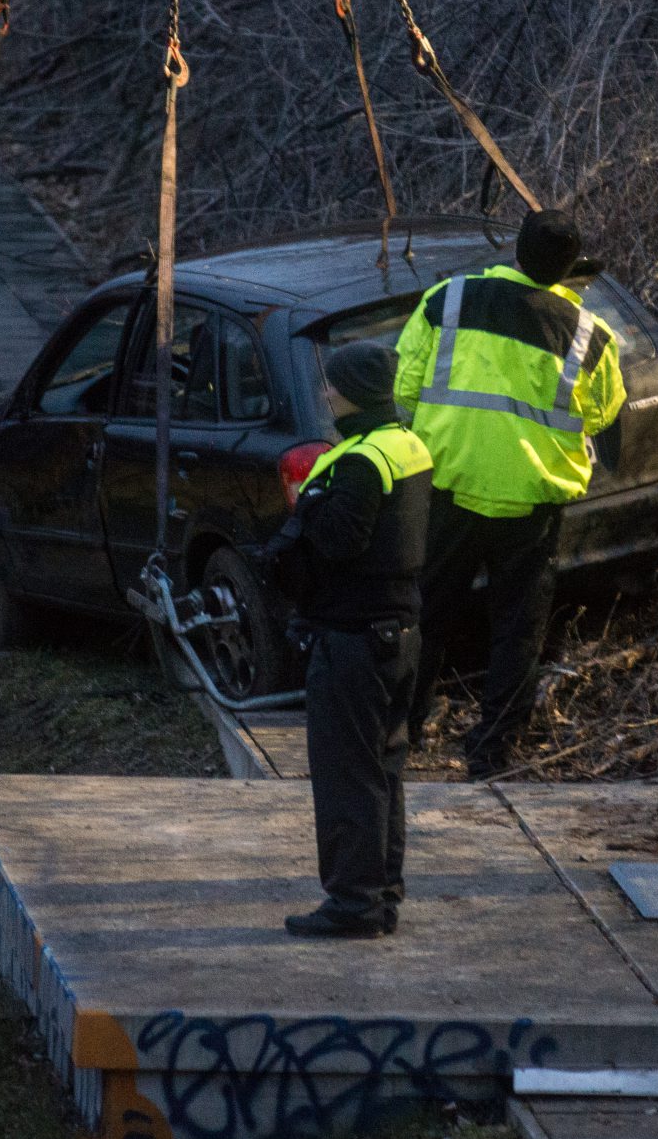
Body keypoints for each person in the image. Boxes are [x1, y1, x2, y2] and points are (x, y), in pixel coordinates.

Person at [395, 208, 625, 778]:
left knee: (426, 614)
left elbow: (403, 388)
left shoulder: (447, 300)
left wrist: (432, 438)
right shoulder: (591, 336)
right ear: (570, 268)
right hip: (531, 504)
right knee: (518, 631)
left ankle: (402, 729)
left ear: (514, 253)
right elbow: (599, 414)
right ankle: (491, 750)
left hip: (451, 487)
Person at [259, 340, 432, 939]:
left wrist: (308, 510)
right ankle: (380, 895)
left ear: (353, 391)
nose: (326, 395)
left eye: (332, 385)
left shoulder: (359, 463)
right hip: (399, 637)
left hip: (354, 643)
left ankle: (353, 905)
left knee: (347, 777)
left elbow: (339, 543)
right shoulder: (406, 446)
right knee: (383, 771)